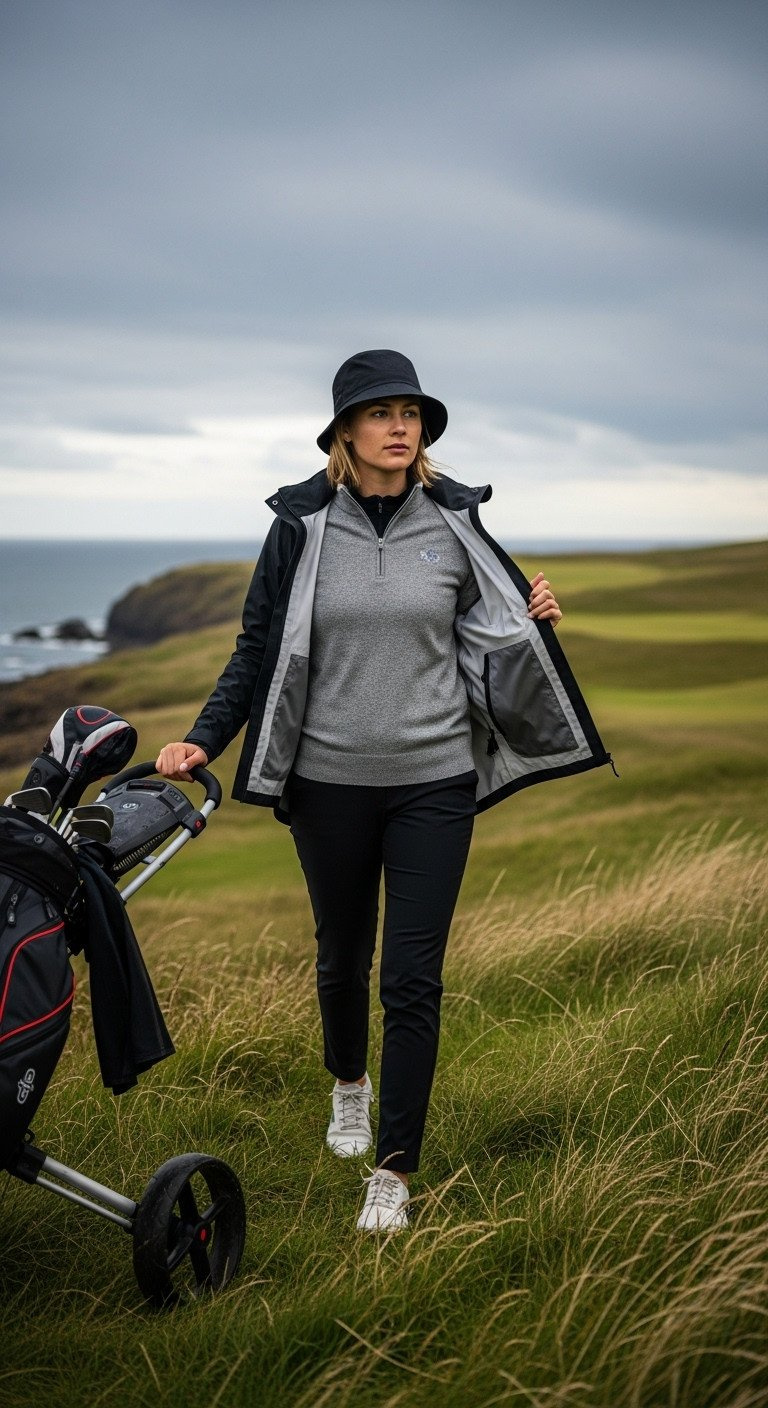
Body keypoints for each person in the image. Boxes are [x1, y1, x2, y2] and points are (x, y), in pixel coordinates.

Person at [156, 349, 611, 1233]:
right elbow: (256, 652)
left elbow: (494, 626)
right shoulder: (299, 527)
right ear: (344, 433)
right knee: (340, 961)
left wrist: (534, 619)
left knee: (412, 979)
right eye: (381, 414)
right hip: (326, 784)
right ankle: (349, 1089)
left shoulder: (455, 523)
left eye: (411, 413)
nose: (400, 427)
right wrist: (202, 738)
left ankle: (393, 1176)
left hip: (434, 780)